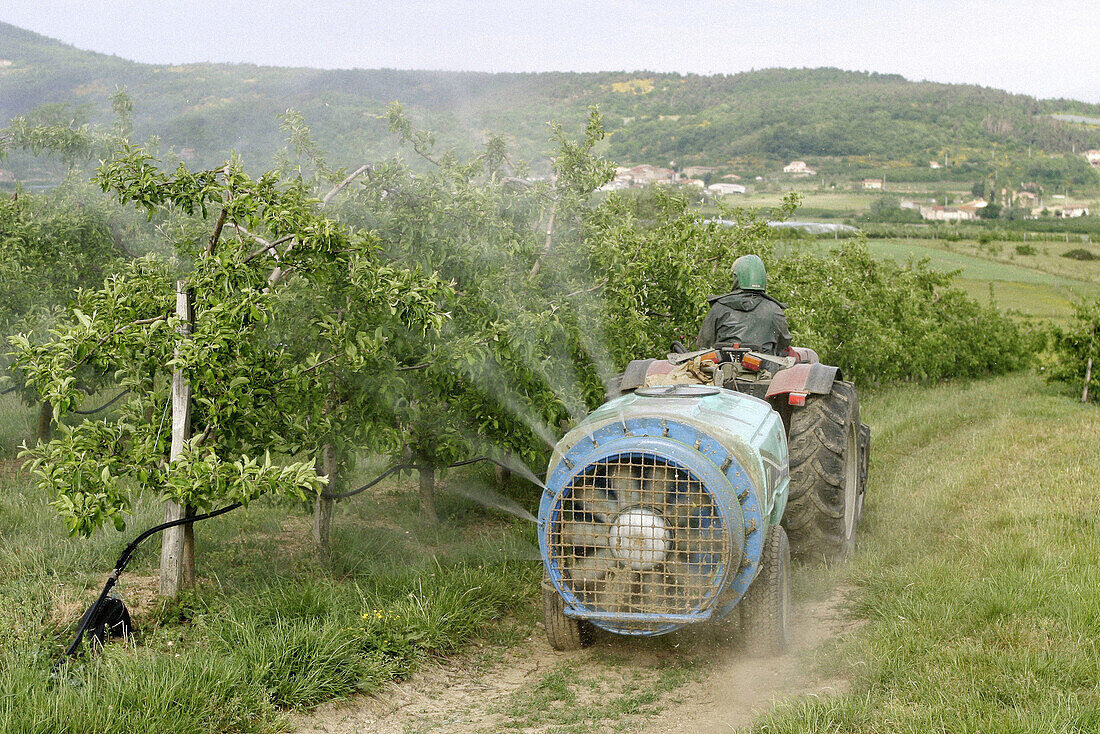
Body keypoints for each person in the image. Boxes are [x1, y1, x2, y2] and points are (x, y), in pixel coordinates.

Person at [695, 254, 791, 355]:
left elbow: (704, 343)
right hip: (765, 367)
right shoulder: (774, 309)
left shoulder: (719, 307)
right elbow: (784, 342)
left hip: (724, 367)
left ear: (736, 278)